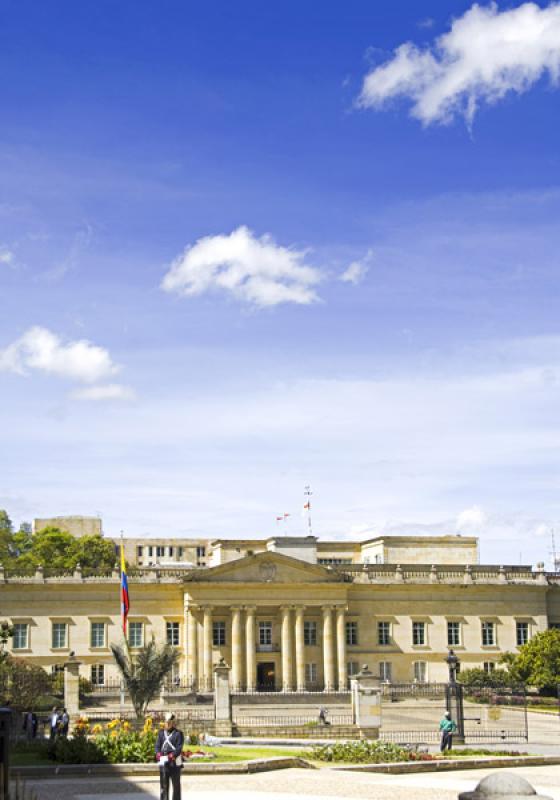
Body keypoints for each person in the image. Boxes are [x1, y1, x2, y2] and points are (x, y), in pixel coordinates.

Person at [155, 712, 184, 800]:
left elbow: (179, 748)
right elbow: (157, 745)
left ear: (173, 723)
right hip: (163, 763)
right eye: (166, 722)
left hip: (174, 763)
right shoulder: (161, 733)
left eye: (169, 722)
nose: (167, 724)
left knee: (176, 786)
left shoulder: (178, 734)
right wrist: (158, 754)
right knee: (164, 786)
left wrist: (171, 756)